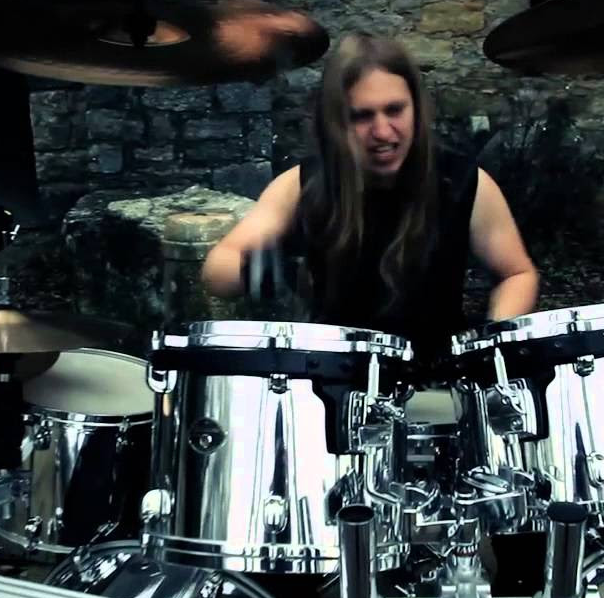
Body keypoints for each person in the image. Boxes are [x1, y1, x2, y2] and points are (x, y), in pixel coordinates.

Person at [202, 33, 539, 363]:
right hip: (333, 382)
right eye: (362, 116)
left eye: (394, 110)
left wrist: (492, 340)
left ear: (416, 108)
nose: (382, 131)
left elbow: (518, 274)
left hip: (438, 381)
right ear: (337, 121)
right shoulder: (301, 186)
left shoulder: (464, 182)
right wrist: (257, 266)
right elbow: (218, 269)